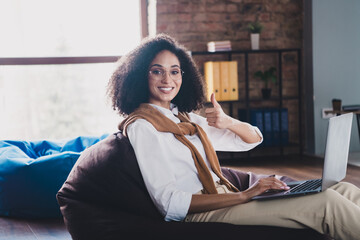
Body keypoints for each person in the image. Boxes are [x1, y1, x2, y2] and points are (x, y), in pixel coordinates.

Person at [107, 34, 360, 240]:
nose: (168, 79)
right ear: (141, 75)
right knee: (327, 202)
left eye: (175, 71)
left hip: (222, 195)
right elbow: (170, 204)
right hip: (204, 211)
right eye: (156, 71)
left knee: (344, 188)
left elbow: (252, 139)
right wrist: (245, 195)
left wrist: (227, 121)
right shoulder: (143, 126)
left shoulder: (185, 120)